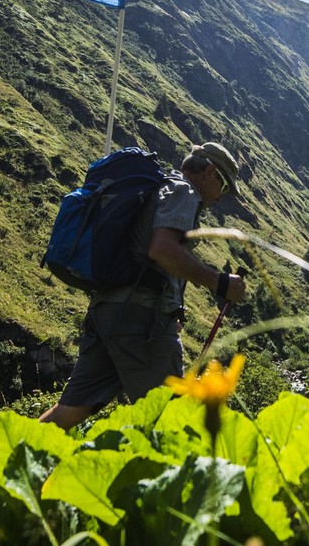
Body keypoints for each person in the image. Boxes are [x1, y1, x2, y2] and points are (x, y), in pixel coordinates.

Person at [41, 142, 248, 430]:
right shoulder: (184, 192)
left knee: (71, 411)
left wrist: (173, 308)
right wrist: (219, 282)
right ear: (210, 172)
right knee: (171, 417)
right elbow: (161, 249)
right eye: (225, 187)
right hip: (141, 320)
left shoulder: (162, 189)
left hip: (109, 310)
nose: (222, 198)